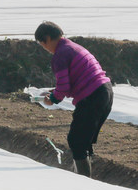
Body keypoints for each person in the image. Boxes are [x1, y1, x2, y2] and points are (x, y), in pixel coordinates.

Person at [35, 21, 113, 178]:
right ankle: (80, 175)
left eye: (43, 44)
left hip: (92, 96)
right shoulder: (72, 47)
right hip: (105, 92)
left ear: (48, 39)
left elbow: (63, 86)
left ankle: (83, 180)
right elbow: (70, 83)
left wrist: (53, 99)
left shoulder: (60, 55)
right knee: (83, 140)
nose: (45, 48)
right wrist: (54, 92)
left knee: (76, 140)